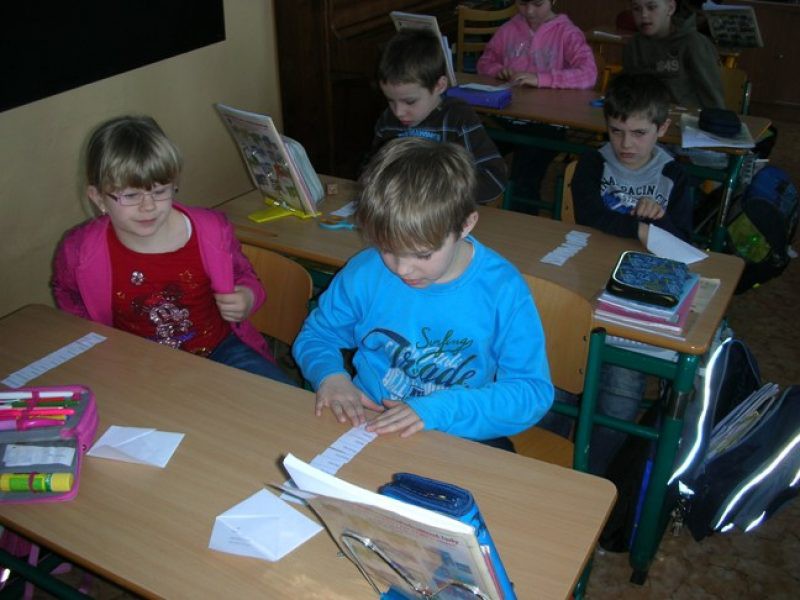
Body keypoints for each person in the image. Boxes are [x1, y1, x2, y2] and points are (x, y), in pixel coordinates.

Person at [293, 137, 553, 450]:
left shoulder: (502, 289)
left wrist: (437, 410)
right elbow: (317, 336)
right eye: (387, 249)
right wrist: (330, 376)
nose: (402, 269)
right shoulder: (365, 272)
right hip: (369, 422)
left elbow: (531, 392)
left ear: (466, 225)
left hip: (457, 431)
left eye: (422, 254)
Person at [52, 115, 293, 384]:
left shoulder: (211, 230)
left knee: (282, 396)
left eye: (160, 191)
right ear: (99, 198)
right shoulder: (79, 250)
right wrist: (93, 338)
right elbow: (66, 292)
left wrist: (247, 296)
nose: (148, 207)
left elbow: (244, 274)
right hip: (133, 361)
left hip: (221, 350)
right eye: (130, 195)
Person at [541, 72, 692, 475]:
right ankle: (545, 466)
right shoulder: (593, 163)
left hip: (637, 301)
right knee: (557, 388)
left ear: (662, 128)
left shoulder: (675, 175)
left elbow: (683, 239)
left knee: (619, 401)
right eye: (617, 131)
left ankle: (592, 475)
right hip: (584, 284)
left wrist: (658, 224)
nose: (626, 144)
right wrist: (642, 228)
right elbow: (591, 215)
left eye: (639, 133)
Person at [476, 0, 597, 214]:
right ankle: (475, 213)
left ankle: (521, 225)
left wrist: (542, 79)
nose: (529, 11)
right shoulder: (508, 29)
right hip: (507, 118)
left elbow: (589, 73)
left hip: (548, 123)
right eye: (522, 3)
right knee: (471, 155)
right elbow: (484, 62)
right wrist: (497, 70)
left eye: (538, 3)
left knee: (524, 177)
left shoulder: (566, 32)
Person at [369, 29, 507, 206]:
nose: (398, 112)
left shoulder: (458, 118)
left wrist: (442, 191)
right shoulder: (388, 121)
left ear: (440, 86)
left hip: (448, 212)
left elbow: (494, 178)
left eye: (410, 101)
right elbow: (371, 169)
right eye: (390, 100)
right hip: (403, 213)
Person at [623, 0, 725, 109]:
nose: (644, 15)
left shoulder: (694, 43)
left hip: (687, 117)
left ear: (670, 8)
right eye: (636, 9)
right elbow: (629, 92)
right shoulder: (634, 45)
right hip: (645, 115)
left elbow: (713, 99)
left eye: (651, 7)